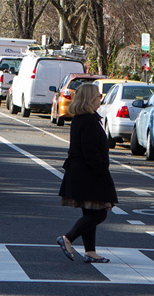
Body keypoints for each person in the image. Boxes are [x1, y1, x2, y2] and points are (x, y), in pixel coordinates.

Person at [55, 83, 118, 263]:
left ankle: (90, 251)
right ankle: (67, 238)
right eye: (98, 96)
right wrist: (102, 173)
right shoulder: (88, 121)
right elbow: (90, 152)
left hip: (80, 172)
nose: (101, 99)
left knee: (90, 212)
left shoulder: (82, 118)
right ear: (90, 99)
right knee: (100, 212)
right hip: (87, 173)